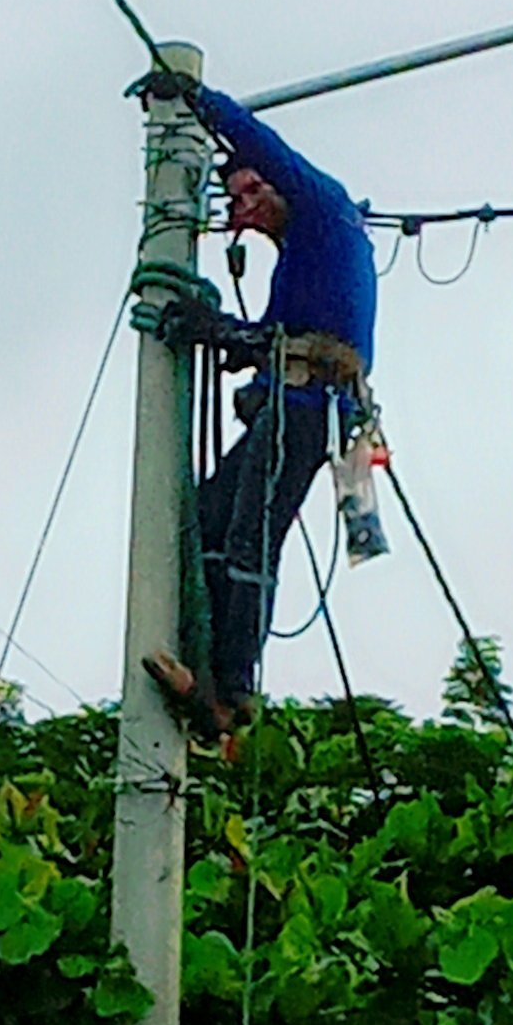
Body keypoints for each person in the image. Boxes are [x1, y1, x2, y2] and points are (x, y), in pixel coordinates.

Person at [129, 69, 377, 735]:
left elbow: (266, 148)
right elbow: (273, 337)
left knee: (251, 535)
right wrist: (229, 339)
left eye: (253, 191)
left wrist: (198, 101)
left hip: (312, 406)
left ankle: (232, 689)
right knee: (209, 514)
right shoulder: (299, 261)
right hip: (290, 402)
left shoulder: (324, 211)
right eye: (236, 200)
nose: (247, 207)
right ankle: (205, 665)